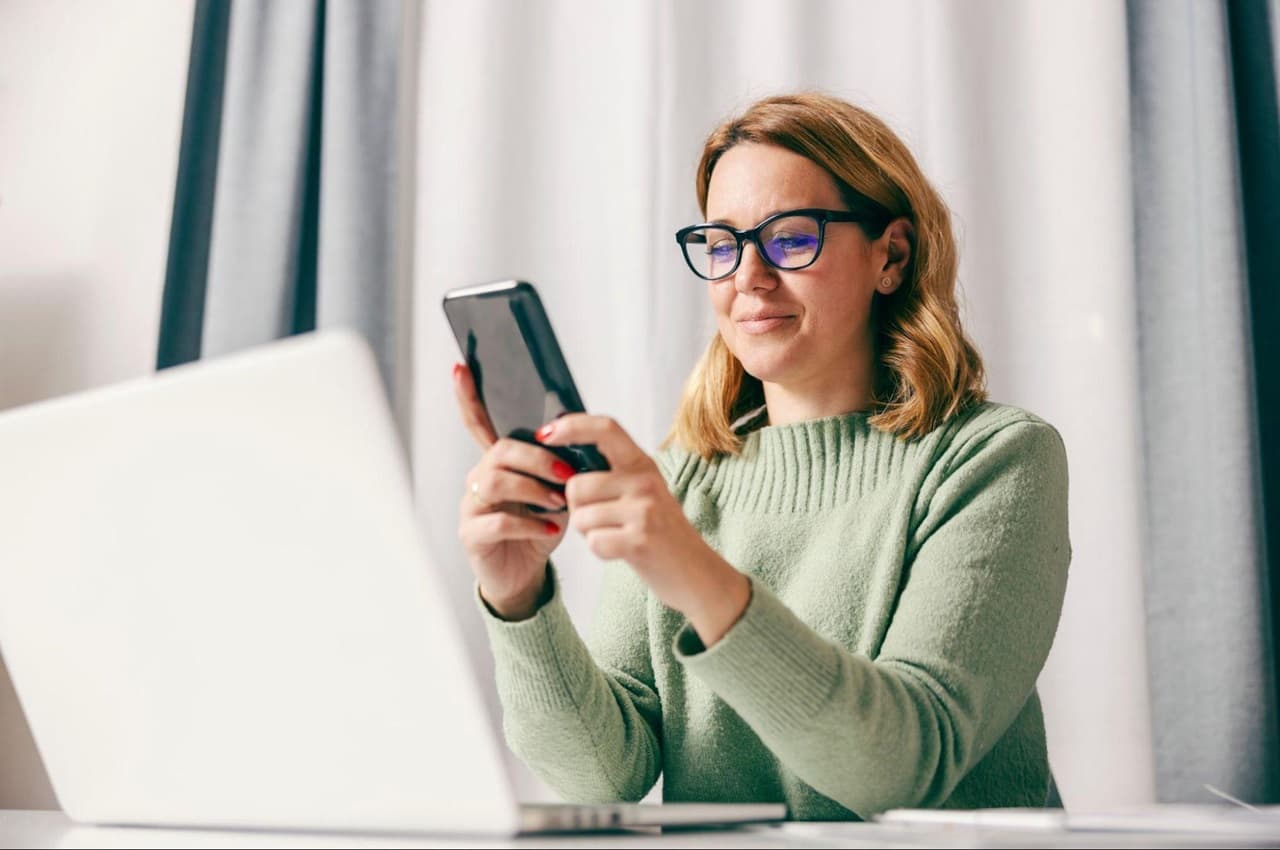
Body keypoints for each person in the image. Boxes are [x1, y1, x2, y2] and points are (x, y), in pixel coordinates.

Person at [450, 92, 1070, 820]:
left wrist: (690, 568)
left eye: (790, 237)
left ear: (891, 256)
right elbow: (602, 777)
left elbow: (899, 768)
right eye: (721, 244)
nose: (747, 275)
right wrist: (518, 599)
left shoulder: (994, 460)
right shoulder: (680, 482)